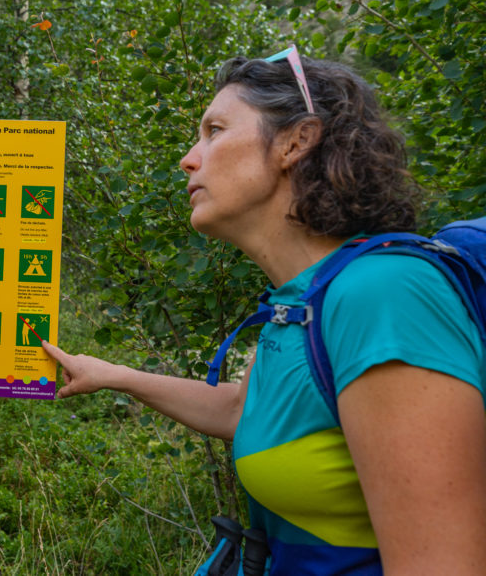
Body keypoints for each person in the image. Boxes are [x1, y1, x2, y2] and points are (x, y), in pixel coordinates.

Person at [42, 51, 486, 575]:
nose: (189, 158)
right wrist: (112, 375)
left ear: (296, 142)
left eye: (214, 131)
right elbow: (243, 409)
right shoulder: (300, 302)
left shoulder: (382, 297)